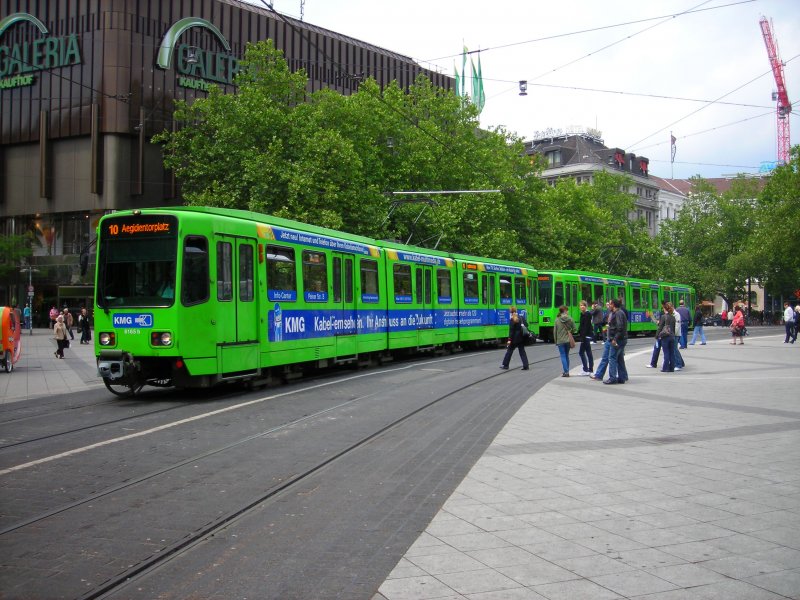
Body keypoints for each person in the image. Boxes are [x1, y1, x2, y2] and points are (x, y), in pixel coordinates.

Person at [604, 298, 628, 384]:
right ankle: (622, 377)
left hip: (618, 339)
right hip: (622, 338)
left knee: (612, 358)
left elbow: (620, 327)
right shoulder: (619, 312)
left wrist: (614, 339)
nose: (608, 306)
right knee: (620, 358)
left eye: (610, 304)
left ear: (613, 305)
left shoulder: (618, 313)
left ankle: (612, 378)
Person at [500, 306, 529, 370]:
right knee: (522, 352)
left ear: (511, 312)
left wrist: (509, 340)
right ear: (516, 311)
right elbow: (527, 325)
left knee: (509, 351)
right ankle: (526, 365)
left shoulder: (512, 319)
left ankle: (505, 365)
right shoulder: (521, 318)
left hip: (514, 339)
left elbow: (511, 331)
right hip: (521, 338)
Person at [553, 305, 575, 377]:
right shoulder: (570, 319)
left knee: (563, 356)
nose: (568, 311)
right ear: (565, 311)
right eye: (567, 310)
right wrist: (570, 331)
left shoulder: (557, 319)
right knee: (567, 355)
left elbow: (555, 331)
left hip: (560, 341)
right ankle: (567, 371)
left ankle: (566, 372)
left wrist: (556, 341)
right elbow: (575, 329)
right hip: (568, 340)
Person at [657, 302, 677, 372]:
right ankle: (672, 368)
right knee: (672, 352)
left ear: (665, 309)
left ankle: (665, 368)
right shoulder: (673, 317)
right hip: (672, 336)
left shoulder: (663, 317)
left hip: (665, 337)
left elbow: (660, 327)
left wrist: (657, 335)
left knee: (666, 352)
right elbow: (673, 328)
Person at [577, 301, 594, 376]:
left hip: (586, 336)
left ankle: (586, 369)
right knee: (588, 352)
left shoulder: (587, 314)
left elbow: (586, 327)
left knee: (582, 352)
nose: (581, 307)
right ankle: (590, 369)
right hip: (585, 336)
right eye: (580, 305)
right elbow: (581, 326)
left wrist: (582, 337)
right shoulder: (583, 314)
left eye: (583, 305)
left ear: (586, 306)